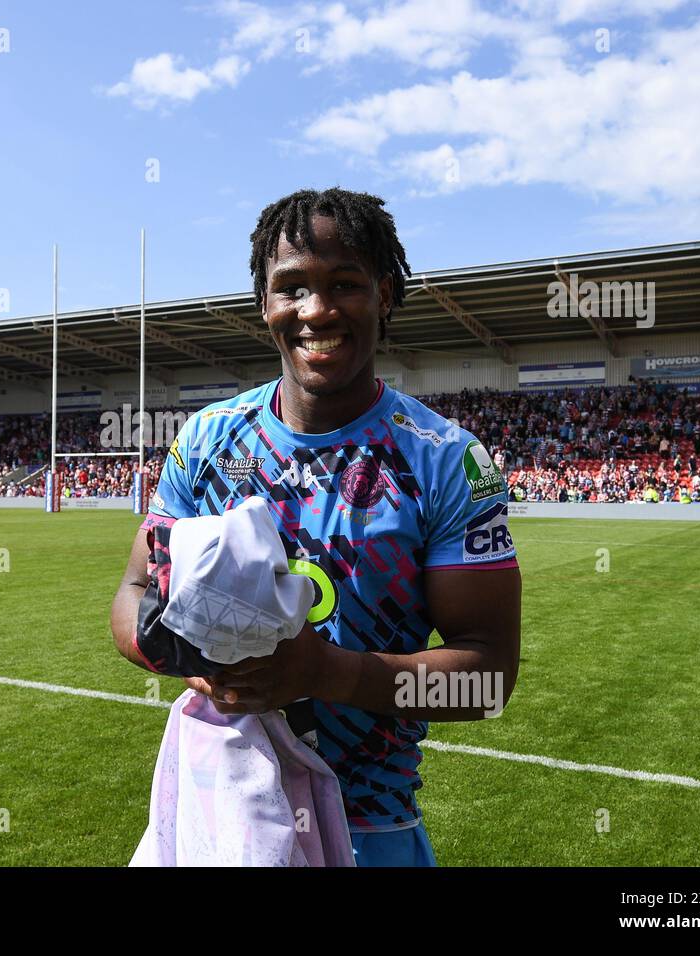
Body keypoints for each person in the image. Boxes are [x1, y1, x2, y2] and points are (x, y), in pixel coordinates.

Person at [109, 188, 521, 868]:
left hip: (372, 834)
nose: (317, 310)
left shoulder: (446, 459)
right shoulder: (207, 441)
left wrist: (328, 673)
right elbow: (130, 593)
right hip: (222, 815)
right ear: (264, 303)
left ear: (385, 295)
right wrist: (188, 661)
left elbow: (488, 679)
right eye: (291, 287)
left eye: (344, 285)